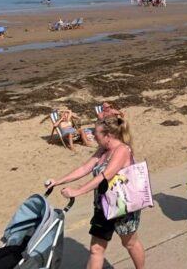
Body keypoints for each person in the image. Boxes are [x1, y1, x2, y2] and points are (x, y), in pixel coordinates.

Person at [44, 115, 145, 268]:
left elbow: (106, 176)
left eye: (96, 133)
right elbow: (84, 168)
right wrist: (58, 181)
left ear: (108, 136)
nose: (93, 136)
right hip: (103, 206)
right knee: (96, 248)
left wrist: (77, 191)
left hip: (123, 207)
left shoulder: (122, 150)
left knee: (130, 243)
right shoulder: (103, 150)